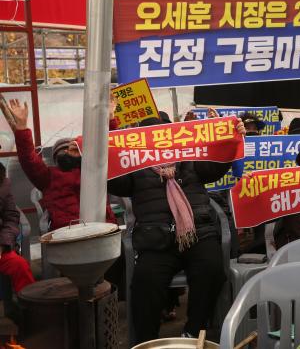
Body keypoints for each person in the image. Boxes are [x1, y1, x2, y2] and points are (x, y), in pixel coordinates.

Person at [107, 114, 246, 343]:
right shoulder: (134, 167)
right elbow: (114, 180)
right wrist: (102, 150)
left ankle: (193, 332)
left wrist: (229, 137)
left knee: (211, 270)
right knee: (145, 281)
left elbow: (217, 166)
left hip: (198, 234)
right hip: (156, 241)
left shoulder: (190, 158)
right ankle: (146, 342)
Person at [1, 100, 116, 230]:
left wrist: (110, 118)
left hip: (103, 228)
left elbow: (109, 147)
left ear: (82, 153)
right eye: (61, 151)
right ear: (55, 158)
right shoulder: (48, 176)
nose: (66, 151)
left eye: (72, 149)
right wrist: (22, 127)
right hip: (67, 234)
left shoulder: (95, 170)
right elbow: (28, 159)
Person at [0, 163, 35, 293]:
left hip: (2, 247)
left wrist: (3, 246)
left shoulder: (3, 183)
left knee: (19, 265)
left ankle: (31, 308)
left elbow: (11, 218)